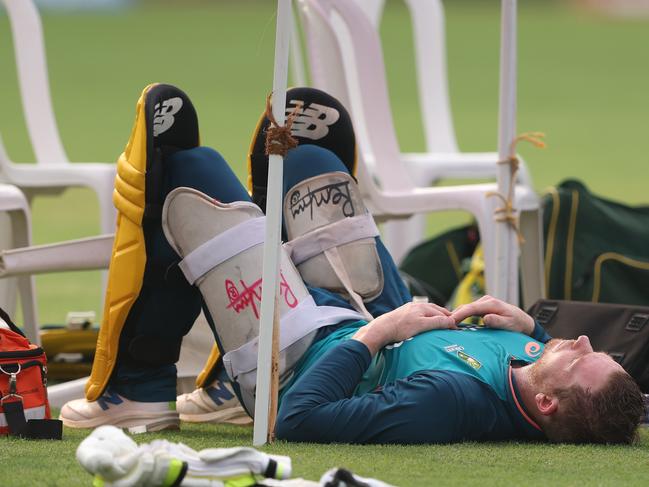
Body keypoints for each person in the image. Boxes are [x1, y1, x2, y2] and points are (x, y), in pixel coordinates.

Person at [60, 85, 644, 444]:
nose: (586, 341)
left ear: (545, 404)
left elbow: (301, 420)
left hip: (294, 362)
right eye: (599, 352)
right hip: (367, 314)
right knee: (308, 157)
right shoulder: (532, 362)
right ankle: (215, 388)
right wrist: (530, 328)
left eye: (583, 361)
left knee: (187, 175)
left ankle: (133, 387)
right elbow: (569, 381)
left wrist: (383, 330)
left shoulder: (447, 405)